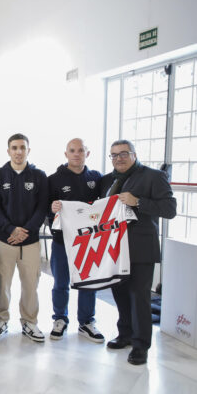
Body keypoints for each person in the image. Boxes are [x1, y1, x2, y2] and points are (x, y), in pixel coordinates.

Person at [100, 139, 176, 365]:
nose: (118, 158)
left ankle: (141, 345)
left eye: (123, 153)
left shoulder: (153, 176)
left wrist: (138, 202)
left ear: (134, 154)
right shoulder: (107, 180)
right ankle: (124, 334)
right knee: (120, 295)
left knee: (139, 297)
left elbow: (169, 209)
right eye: (114, 155)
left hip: (141, 249)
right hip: (114, 249)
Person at [0, 133, 48, 342]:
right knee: (3, 283)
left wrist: (26, 231)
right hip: (4, 241)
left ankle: (30, 322)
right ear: (8, 151)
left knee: (31, 283)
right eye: (14, 148)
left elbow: (42, 208)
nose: (19, 151)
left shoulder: (39, 176)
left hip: (30, 242)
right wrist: (11, 229)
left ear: (28, 150)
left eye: (22, 147)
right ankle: (1, 319)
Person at [47, 138, 103, 342]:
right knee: (60, 282)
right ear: (66, 154)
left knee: (88, 282)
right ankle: (60, 319)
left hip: (88, 241)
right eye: (72, 150)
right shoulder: (54, 179)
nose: (76, 154)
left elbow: (105, 205)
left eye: (81, 150)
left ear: (87, 154)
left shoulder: (96, 178)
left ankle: (87, 322)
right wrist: (51, 209)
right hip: (62, 241)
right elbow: (45, 209)